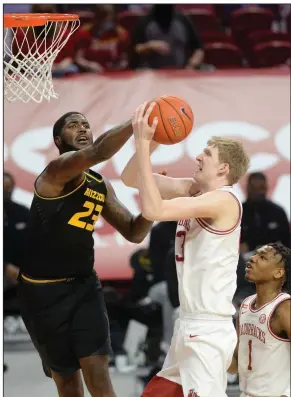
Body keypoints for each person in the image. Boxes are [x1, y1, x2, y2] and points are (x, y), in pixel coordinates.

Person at [18, 110, 154, 397]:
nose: (81, 129)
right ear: (58, 139)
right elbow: (99, 150)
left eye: (86, 124)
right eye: (72, 125)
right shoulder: (55, 172)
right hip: (42, 295)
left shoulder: (99, 185)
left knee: (99, 374)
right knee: (68, 386)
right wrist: (136, 121)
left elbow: (134, 231)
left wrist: (155, 203)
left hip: (84, 288)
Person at [121, 102, 250, 397]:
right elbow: (131, 180)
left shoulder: (223, 201)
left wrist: (141, 144)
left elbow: (153, 209)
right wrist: (151, 144)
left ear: (223, 168)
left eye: (207, 153)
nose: (198, 156)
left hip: (207, 329)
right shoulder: (195, 190)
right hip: (188, 323)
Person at [228, 242, 290, 397]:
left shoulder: (284, 308)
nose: (252, 259)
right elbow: (236, 359)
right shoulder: (246, 305)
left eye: (262, 257)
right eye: (255, 254)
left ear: (278, 273)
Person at [129, 4, 204, 70]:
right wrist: (149, 46)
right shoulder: (144, 21)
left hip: (180, 73)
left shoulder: (183, 20)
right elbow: (135, 49)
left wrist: (191, 66)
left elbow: (198, 49)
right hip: (151, 75)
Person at [240, 172, 290, 256]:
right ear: (247, 188)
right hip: (244, 261)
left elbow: (287, 242)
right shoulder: (238, 212)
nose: (257, 192)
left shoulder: (278, 212)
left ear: (266, 188)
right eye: (253, 188)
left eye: (261, 188)